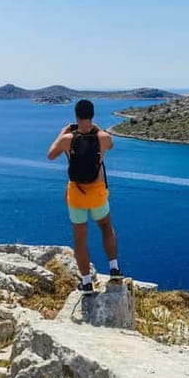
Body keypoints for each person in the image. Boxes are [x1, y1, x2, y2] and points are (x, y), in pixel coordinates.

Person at [47, 99, 123, 295]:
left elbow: (51, 155)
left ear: (76, 116)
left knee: (80, 239)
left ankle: (87, 282)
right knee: (106, 227)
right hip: (97, 192)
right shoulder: (103, 137)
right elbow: (111, 145)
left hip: (76, 194)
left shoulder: (67, 139)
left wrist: (62, 133)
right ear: (92, 115)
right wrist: (96, 128)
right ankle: (114, 269)